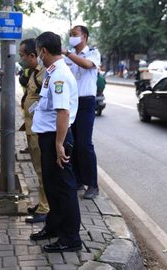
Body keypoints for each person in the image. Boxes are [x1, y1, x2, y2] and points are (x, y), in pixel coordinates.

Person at [29, 31, 82, 253]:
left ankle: (70, 238)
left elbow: (63, 112)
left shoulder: (59, 75)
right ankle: (54, 227)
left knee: (64, 188)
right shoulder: (52, 72)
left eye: (38, 52)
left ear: (42, 50)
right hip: (49, 136)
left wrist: (59, 144)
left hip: (56, 138)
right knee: (52, 187)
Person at [63, 25, 101, 200]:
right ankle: (77, 180)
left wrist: (67, 53)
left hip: (85, 102)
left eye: (75, 34)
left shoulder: (92, 53)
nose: (72, 37)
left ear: (84, 36)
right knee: (72, 143)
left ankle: (92, 185)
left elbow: (86, 65)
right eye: (70, 35)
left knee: (85, 144)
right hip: (71, 103)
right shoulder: (69, 56)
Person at [18, 38, 49, 224]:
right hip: (31, 128)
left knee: (42, 170)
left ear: (32, 55)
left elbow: (46, 102)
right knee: (38, 170)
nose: (22, 59)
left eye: (23, 55)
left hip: (39, 130)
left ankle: (45, 208)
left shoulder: (44, 74)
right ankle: (41, 203)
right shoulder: (33, 73)